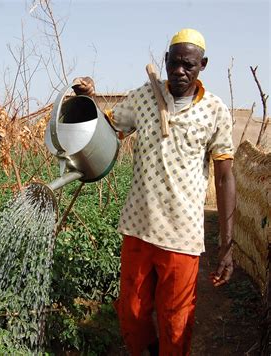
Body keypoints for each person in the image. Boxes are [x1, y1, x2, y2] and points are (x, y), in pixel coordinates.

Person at [73, 28, 236, 355]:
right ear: (165, 61)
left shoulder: (216, 111)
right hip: (138, 228)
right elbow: (107, 127)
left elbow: (224, 178)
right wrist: (87, 98)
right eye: (174, 63)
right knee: (132, 314)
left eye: (188, 65)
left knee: (176, 323)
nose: (179, 71)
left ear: (202, 65)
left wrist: (227, 245)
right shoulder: (144, 97)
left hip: (182, 237)